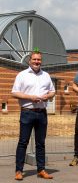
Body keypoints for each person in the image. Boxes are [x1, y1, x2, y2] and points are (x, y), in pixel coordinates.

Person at [12, 51, 55, 180]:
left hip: (41, 113)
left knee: (40, 143)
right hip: (27, 112)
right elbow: (14, 92)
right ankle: (19, 171)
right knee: (23, 142)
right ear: (29, 61)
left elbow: (53, 91)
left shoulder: (46, 75)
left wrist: (48, 96)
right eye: (34, 59)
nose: (37, 62)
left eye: (39, 60)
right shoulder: (22, 75)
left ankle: (41, 169)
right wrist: (30, 97)